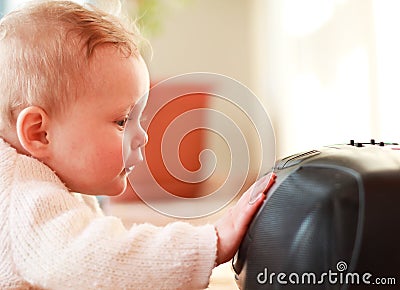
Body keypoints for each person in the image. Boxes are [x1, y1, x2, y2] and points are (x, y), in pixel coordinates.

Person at [0, 1, 270, 289]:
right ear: (40, 133)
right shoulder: (26, 199)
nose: (143, 136)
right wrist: (211, 241)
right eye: (122, 121)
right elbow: (103, 259)